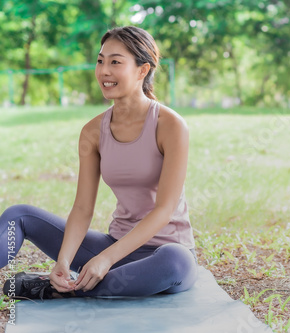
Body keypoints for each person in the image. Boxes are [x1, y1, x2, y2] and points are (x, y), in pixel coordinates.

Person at [0, 26, 198, 299]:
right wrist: (64, 261)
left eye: (115, 62)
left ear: (143, 70)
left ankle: (61, 291)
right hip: (115, 249)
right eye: (100, 60)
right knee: (18, 215)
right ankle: (85, 286)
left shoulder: (170, 125)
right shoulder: (92, 132)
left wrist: (105, 260)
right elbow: (82, 207)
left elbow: (164, 210)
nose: (104, 71)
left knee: (178, 262)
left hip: (163, 255)